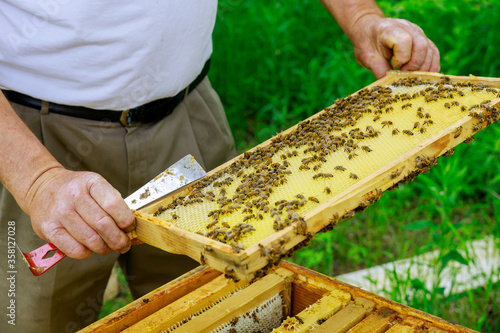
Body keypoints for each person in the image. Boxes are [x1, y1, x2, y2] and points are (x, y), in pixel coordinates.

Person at [0, 0, 440, 331]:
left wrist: (362, 17)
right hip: (32, 143)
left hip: (187, 114)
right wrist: (37, 180)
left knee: (219, 304)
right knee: (30, 317)